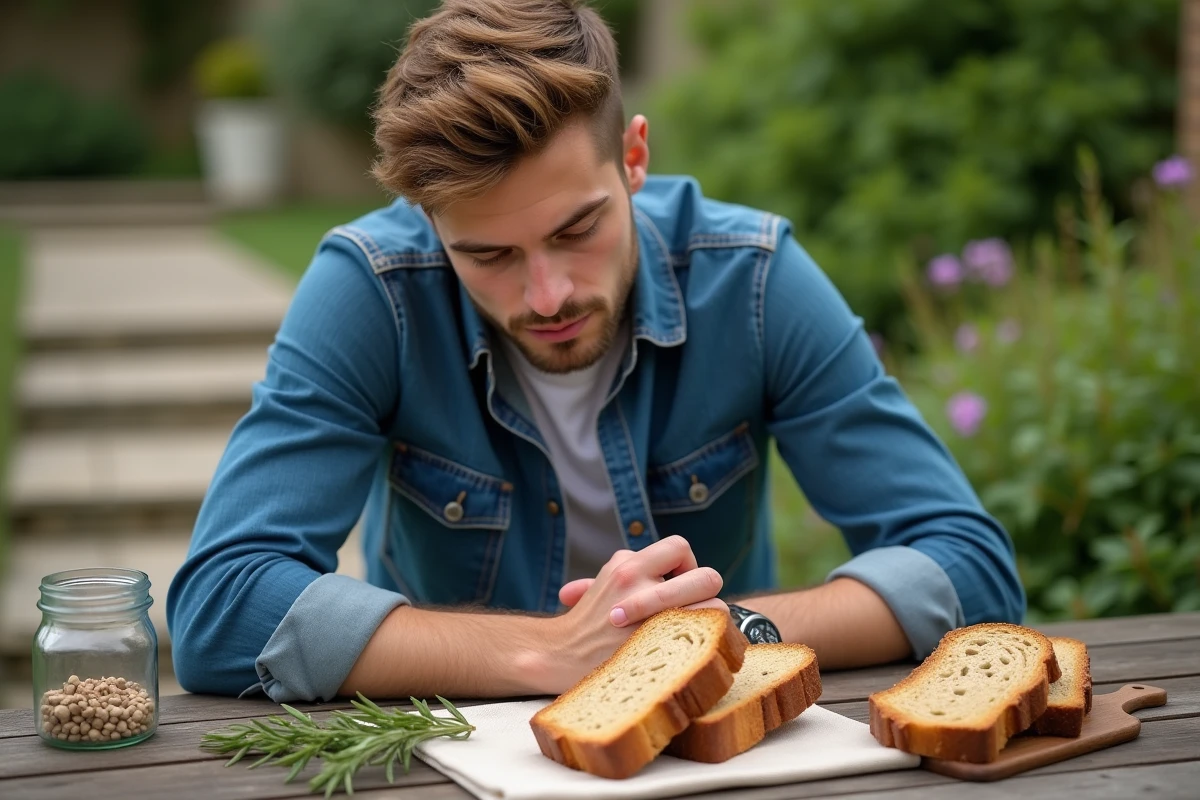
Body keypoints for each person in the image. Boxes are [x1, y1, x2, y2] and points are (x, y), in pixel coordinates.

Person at [166, 0, 1024, 704]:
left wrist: (723, 636)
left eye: (577, 228)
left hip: (708, 741)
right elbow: (224, 603)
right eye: (489, 255)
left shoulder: (751, 279)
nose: (546, 296)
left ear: (635, 158)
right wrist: (544, 656)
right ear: (430, 223)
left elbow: (969, 566)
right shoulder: (372, 288)